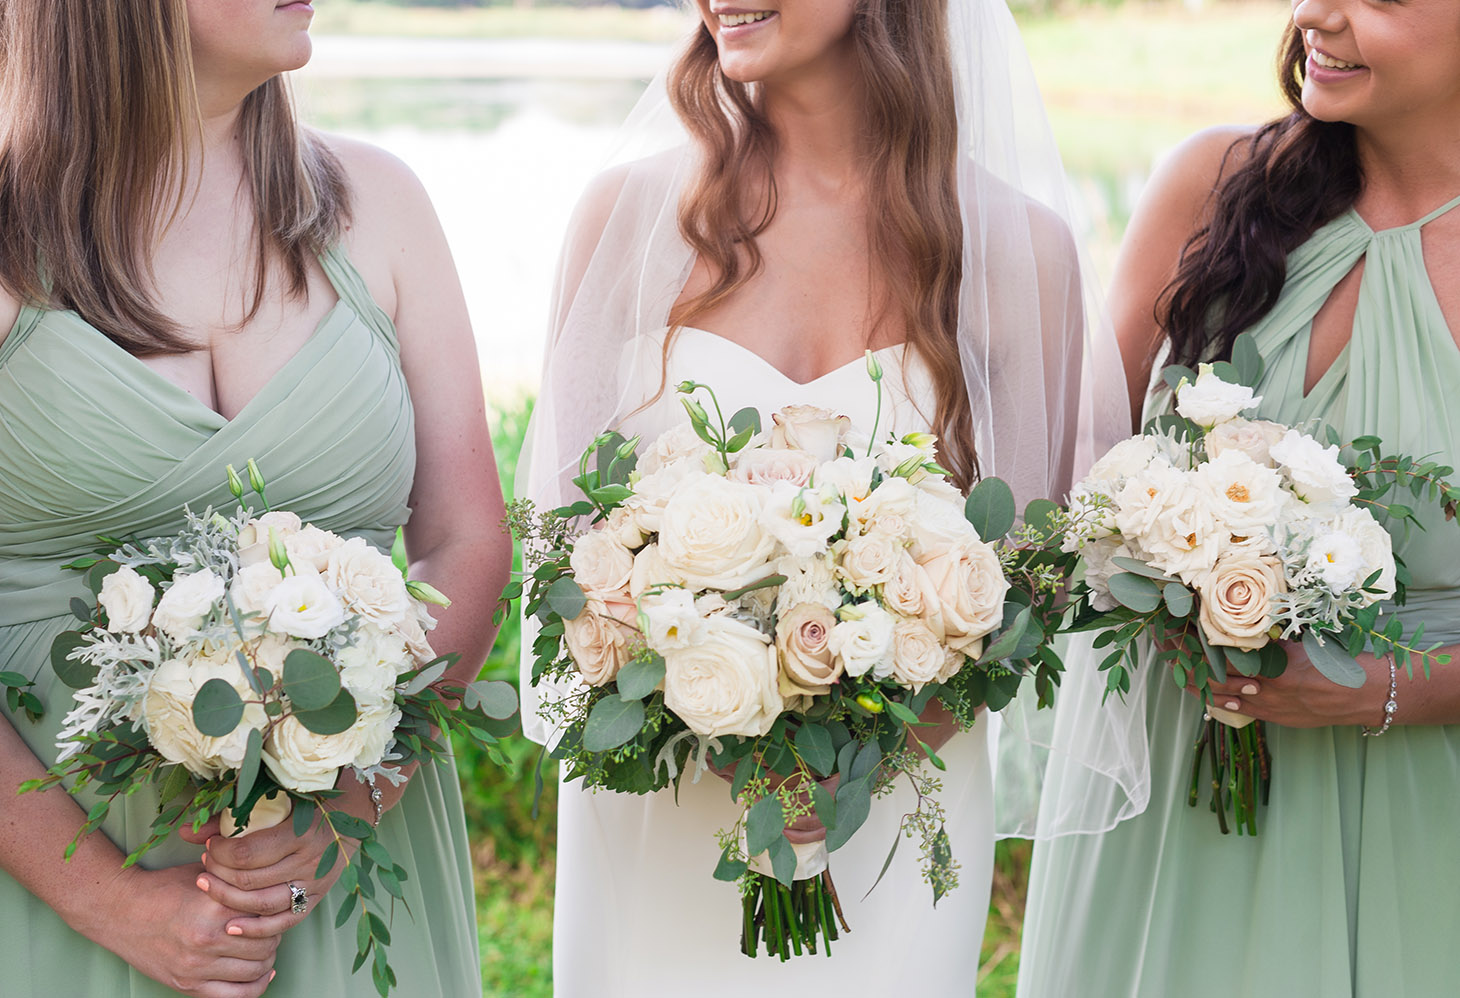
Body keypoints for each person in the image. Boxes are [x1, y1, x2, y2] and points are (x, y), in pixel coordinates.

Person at [519, 0, 1131, 993]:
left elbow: (1025, 581)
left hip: (899, 805)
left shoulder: (1021, 250)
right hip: (668, 804)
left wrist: (856, 744)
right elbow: (564, 544)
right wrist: (705, 709)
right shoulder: (624, 219)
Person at [0, 1, 509, 995]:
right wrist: (112, 900)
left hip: (341, 867)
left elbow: (466, 537)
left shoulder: (382, 203)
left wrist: (343, 808)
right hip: (36, 870)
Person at [1019, 2, 1460, 995]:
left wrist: (1385, 688)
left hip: (1420, 820)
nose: (1316, 13)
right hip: (1167, 805)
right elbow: (1072, 472)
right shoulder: (1211, 187)